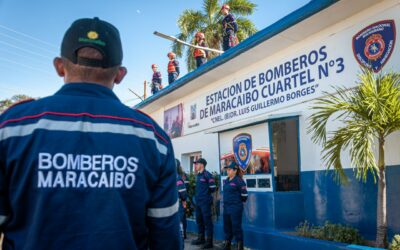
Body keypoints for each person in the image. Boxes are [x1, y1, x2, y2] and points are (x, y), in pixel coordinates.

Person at [0, 17, 180, 250]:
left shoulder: (13, 128)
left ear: (59, 66)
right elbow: (166, 238)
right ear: (120, 74)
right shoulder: (153, 138)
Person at [222, 162, 248, 250]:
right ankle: (227, 244)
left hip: (235, 208)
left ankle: (239, 246)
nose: (227, 171)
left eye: (229, 169)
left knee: (236, 227)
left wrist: (238, 203)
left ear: (235, 170)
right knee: (227, 226)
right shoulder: (226, 180)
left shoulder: (239, 181)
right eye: (227, 169)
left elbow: (244, 196)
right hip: (226, 207)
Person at [191, 158, 216, 249]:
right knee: (199, 221)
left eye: (196, 164)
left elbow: (213, 188)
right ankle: (201, 239)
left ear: (201, 164)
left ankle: (209, 242)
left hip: (205, 203)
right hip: (198, 203)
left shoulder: (207, 175)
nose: (195, 165)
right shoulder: (198, 175)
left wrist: (205, 196)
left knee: (207, 222)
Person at [176, 159, 187, 249]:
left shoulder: (177, 178)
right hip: (173, 208)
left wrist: (183, 201)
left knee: (179, 231)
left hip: (178, 207)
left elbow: (183, 194)